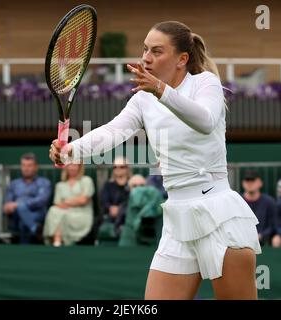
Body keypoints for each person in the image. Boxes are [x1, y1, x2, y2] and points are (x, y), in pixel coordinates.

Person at [50, 21, 261, 299]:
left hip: (219, 215)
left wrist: (160, 89)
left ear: (181, 59)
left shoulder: (204, 82)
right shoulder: (142, 99)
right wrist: (71, 151)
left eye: (157, 51)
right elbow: (113, 131)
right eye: (145, 49)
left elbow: (206, 121)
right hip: (176, 219)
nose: (146, 57)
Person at [3, 153, 52, 244]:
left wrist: (19, 204)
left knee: (23, 221)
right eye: (24, 165)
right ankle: (35, 229)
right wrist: (8, 207)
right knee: (22, 217)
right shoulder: (14, 184)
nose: (26, 168)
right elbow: (7, 203)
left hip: (38, 213)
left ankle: (23, 251)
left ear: (36, 167)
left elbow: (41, 201)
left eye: (29, 165)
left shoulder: (44, 182)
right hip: (16, 216)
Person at [43, 163, 95, 247]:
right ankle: (57, 240)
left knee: (59, 213)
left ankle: (56, 241)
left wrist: (67, 202)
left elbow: (83, 200)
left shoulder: (86, 180)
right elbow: (57, 204)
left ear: (79, 167)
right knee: (53, 210)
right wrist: (75, 201)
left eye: (75, 165)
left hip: (82, 215)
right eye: (70, 165)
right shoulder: (60, 185)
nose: (72, 168)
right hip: (64, 212)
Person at [98, 156, 131, 241]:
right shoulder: (108, 185)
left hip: (127, 217)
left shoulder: (133, 184)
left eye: (121, 167)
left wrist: (120, 210)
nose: (118, 169)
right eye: (115, 167)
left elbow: (131, 202)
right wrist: (110, 208)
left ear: (127, 168)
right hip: (109, 216)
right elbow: (104, 201)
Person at [241, 170, 276, 245]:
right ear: (243, 183)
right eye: (247, 180)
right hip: (241, 243)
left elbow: (273, 225)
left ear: (260, 183)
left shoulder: (269, 202)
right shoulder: (237, 202)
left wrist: (261, 235)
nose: (249, 183)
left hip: (265, 242)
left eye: (252, 180)